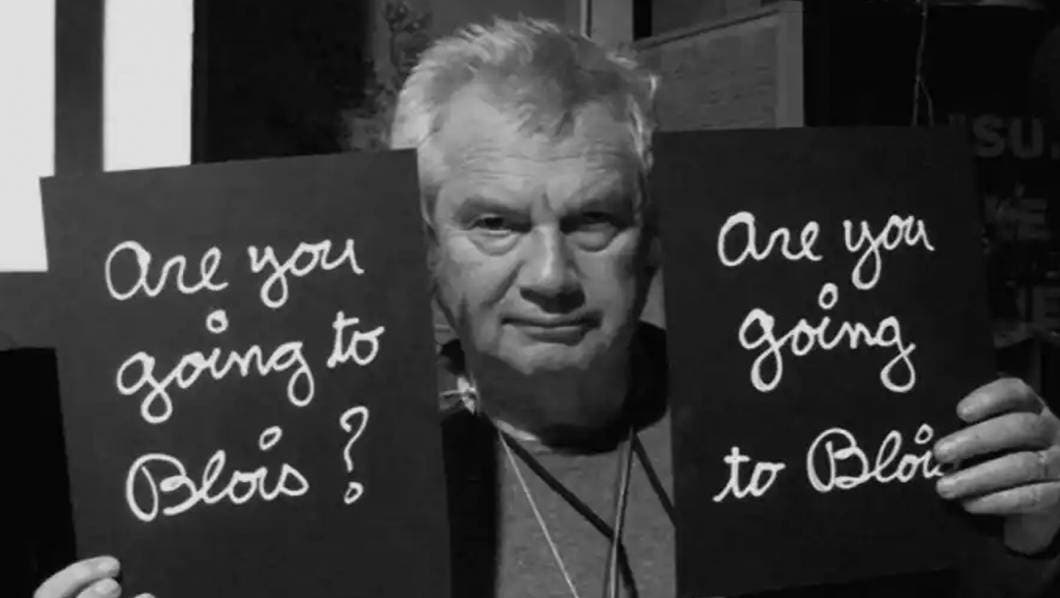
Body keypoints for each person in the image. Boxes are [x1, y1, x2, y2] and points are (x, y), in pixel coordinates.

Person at [35, 16, 1060, 598]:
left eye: (595, 219)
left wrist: (1033, 529)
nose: (551, 275)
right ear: (422, 244)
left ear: (653, 237)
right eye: (493, 223)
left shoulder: (799, 419)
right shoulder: (317, 471)